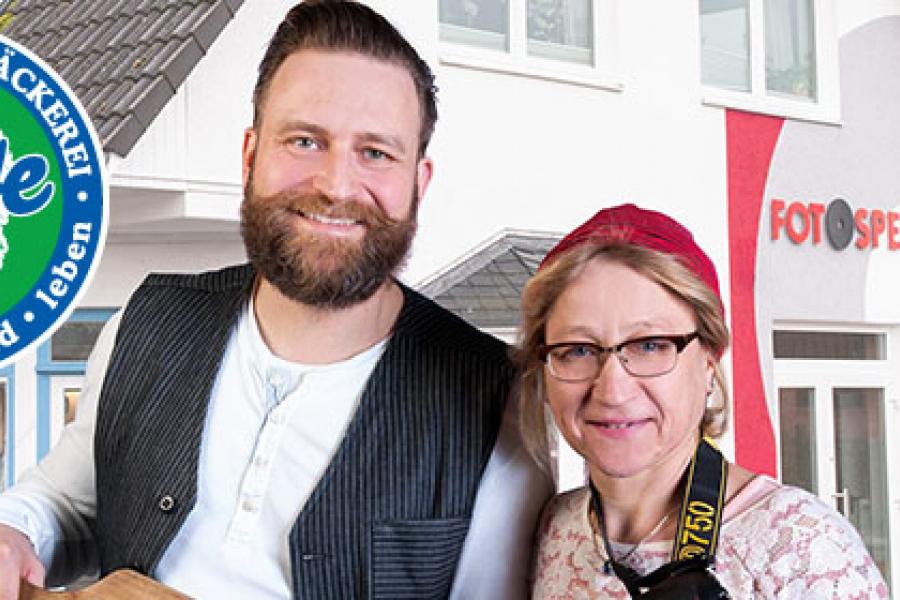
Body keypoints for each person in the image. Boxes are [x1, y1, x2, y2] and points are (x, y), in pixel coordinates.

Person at [0, 2, 552, 598]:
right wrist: (13, 532)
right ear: (249, 157)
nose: (336, 186)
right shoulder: (148, 319)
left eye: (376, 153)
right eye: (306, 141)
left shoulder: (497, 399)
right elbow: (67, 502)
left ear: (418, 183)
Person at [519, 204, 888, 598]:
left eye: (650, 345)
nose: (612, 391)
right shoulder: (555, 529)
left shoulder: (800, 549)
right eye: (577, 350)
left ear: (709, 362)